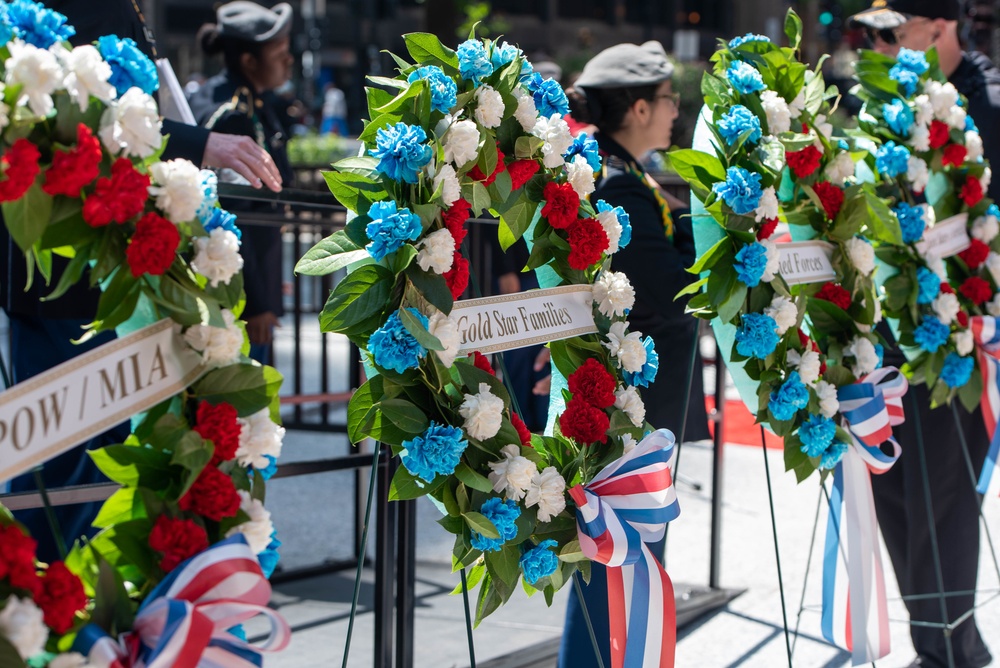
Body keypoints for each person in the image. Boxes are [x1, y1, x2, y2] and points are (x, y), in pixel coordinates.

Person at [1, 0, 284, 562]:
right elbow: (83, 115)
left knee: (84, 465)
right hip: (72, 266)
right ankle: (35, 617)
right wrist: (200, 144)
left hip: (89, 264)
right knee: (66, 468)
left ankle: (61, 618)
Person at [849, 2, 1000, 666]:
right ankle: (941, 640)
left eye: (894, 31)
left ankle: (948, 652)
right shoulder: (886, 104)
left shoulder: (988, 103)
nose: (880, 44)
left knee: (942, 498)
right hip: (886, 331)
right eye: (873, 34)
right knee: (893, 492)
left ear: (938, 28)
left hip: (955, 333)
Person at [558, 40, 709, 667]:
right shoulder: (620, 184)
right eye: (671, 100)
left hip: (637, 404)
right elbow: (669, 294)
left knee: (625, 557)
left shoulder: (625, 173)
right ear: (642, 107)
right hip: (635, 411)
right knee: (621, 555)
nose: (677, 111)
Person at [189, 1, 296, 365]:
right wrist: (257, 302)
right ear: (249, 62)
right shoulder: (234, 116)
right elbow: (235, 218)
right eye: (279, 53)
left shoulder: (237, 101)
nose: (289, 60)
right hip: (237, 297)